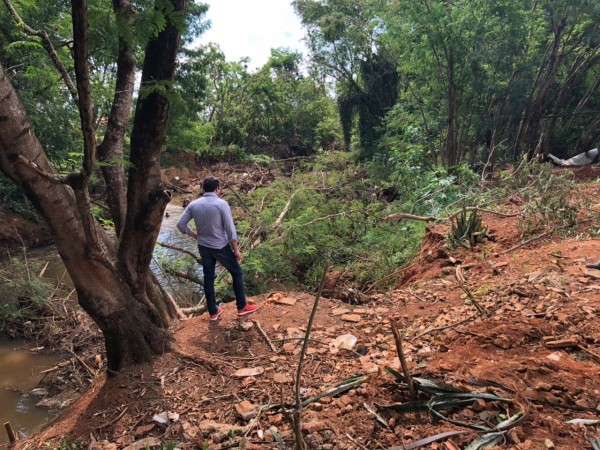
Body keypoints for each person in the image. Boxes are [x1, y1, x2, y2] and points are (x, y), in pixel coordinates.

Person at [177, 177, 259, 320]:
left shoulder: (193, 205)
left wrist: (194, 235)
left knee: (208, 278)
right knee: (237, 272)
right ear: (217, 189)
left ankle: (213, 312)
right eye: (220, 188)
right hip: (220, 246)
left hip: (203, 246)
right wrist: (236, 249)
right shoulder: (221, 204)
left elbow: (180, 225)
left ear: (203, 188)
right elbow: (230, 229)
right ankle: (242, 307)